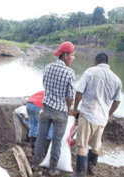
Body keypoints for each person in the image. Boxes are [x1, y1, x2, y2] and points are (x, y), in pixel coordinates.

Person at [70, 53, 122, 177]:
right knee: (95, 145)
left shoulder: (90, 72)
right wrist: (108, 114)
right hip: (102, 118)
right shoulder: (116, 79)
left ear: (96, 61)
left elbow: (79, 93)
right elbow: (117, 101)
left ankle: (80, 173)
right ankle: (91, 168)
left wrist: (75, 109)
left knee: (82, 144)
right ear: (107, 63)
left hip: (88, 114)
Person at [32, 41, 76, 176]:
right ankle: (52, 168)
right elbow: (70, 96)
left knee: (41, 137)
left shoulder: (48, 67)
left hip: (46, 108)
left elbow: (45, 85)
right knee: (56, 141)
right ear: (65, 55)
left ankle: (35, 164)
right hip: (60, 111)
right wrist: (69, 109)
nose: (73, 58)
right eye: (72, 55)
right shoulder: (70, 73)